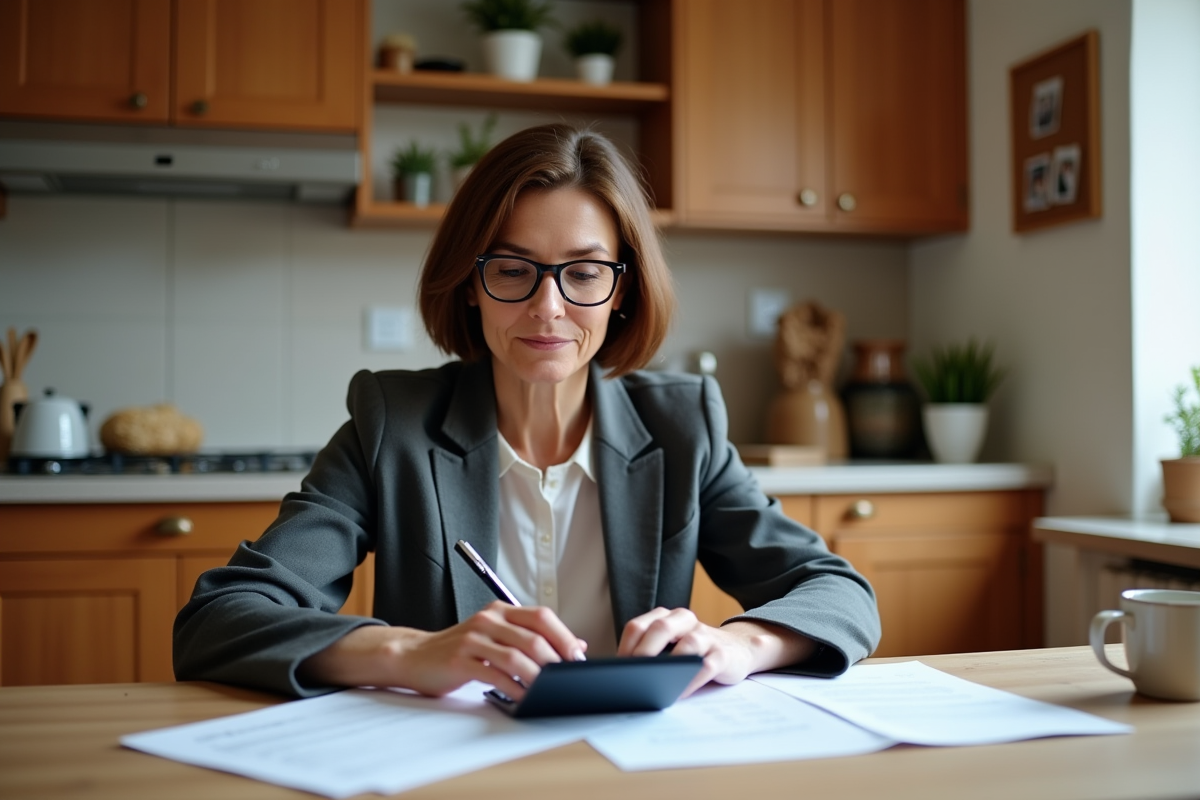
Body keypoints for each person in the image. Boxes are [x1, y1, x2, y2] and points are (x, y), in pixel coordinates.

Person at [174, 124, 881, 700]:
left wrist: (739, 644)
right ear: (471, 286)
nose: (548, 308)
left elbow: (838, 593)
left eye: (584, 272)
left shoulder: (683, 426)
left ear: (622, 291)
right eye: (512, 270)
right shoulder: (392, 422)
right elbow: (219, 619)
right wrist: (406, 652)